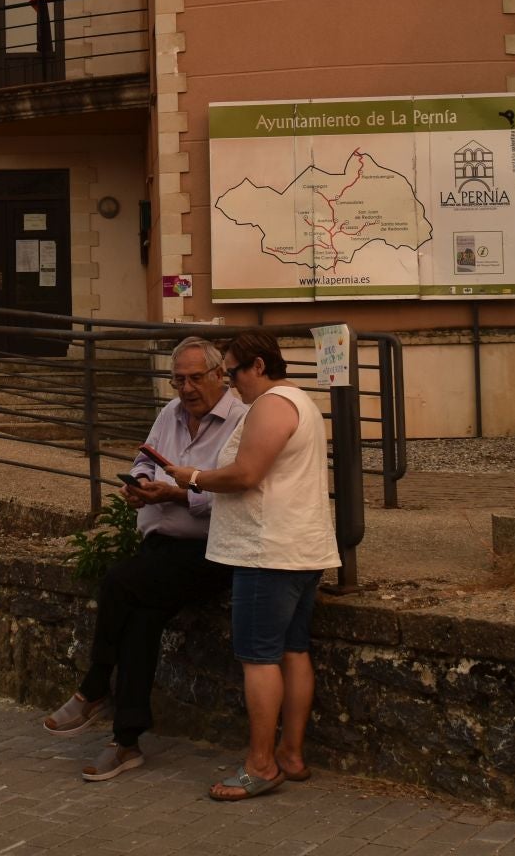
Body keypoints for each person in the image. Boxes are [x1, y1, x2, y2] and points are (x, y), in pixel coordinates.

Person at [42, 338, 244, 783]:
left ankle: (94, 688)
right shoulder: (169, 413)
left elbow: (237, 489)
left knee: (118, 582)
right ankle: (126, 742)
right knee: (140, 623)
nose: (186, 389)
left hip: (210, 551)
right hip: (160, 549)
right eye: (178, 380)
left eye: (195, 378)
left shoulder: (240, 421)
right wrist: (137, 484)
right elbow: (143, 459)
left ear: (218, 376)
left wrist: (177, 493)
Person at [177, 330, 339, 802]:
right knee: (292, 651)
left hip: (266, 552)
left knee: (259, 657)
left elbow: (247, 474)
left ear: (259, 367)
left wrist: (194, 477)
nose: (230, 385)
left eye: (232, 373)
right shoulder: (301, 403)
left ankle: (261, 764)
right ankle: (290, 755)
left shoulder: (271, 405)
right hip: (299, 548)